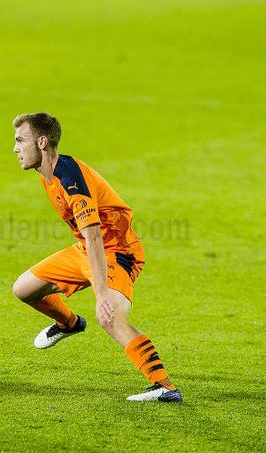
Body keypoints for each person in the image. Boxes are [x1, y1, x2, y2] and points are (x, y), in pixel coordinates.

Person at [11, 112, 182, 402]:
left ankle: (164, 386)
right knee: (23, 289)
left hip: (117, 251)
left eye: (20, 140)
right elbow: (87, 240)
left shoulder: (71, 181)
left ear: (42, 142)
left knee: (110, 317)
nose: (15, 148)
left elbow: (94, 235)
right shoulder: (47, 173)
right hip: (87, 250)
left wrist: (101, 294)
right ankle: (69, 324)